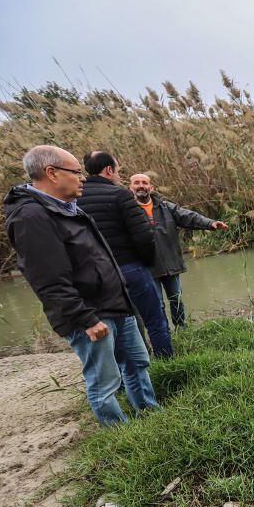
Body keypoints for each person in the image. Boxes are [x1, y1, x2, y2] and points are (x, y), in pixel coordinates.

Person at [4, 145, 158, 426]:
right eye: (76, 172)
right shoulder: (32, 217)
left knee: (137, 364)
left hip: (116, 304)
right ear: (51, 173)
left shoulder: (68, 207)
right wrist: (85, 318)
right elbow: (47, 280)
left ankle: (150, 417)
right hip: (91, 314)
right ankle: (119, 438)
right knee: (105, 382)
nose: (83, 177)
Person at [77, 151, 172, 357]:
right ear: (109, 170)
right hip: (130, 267)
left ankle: (131, 367)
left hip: (97, 274)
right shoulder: (120, 195)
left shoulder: (74, 199)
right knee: (154, 318)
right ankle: (166, 362)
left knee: (118, 323)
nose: (119, 175)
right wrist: (146, 263)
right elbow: (144, 235)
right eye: (119, 170)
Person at [128, 173, 228, 328]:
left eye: (144, 182)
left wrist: (210, 223)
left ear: (151, 187)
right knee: (157, 304)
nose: (141, 185)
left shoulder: (166, 207)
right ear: (130, 187)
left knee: (177, 299)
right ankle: (164, 334)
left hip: (170, 264)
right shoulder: (128, 211)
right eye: (136, 183)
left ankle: (182, 330)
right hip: (147, 267)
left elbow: (189, 217)